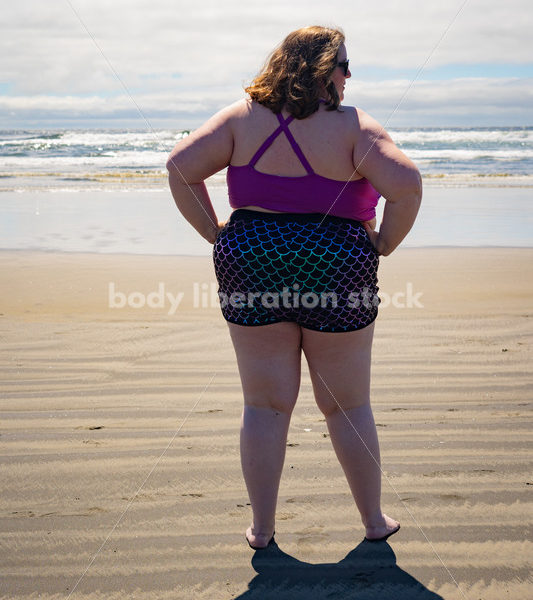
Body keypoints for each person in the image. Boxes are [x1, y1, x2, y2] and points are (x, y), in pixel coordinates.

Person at [166, 25, 422, 550]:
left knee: (264, 405)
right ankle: (373, 522)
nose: (350, 77)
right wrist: (384, 244)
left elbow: (180, 166)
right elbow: (408, 185)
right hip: (336, 262)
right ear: (324, 69)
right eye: (345, 65)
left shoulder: (241, 118)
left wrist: (215, 233)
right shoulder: (352, 126)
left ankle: (261, 530)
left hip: (253, 257)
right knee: (348, 404)